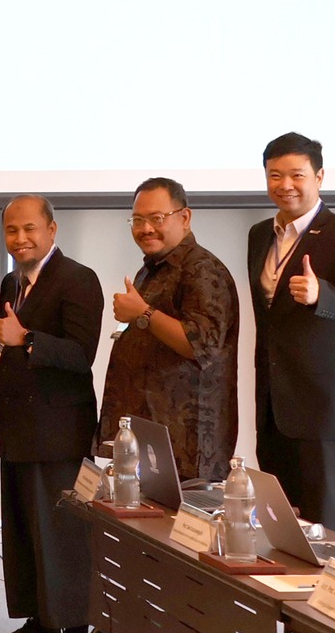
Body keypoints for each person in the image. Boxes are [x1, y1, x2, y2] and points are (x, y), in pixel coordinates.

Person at [0, 195, 103, 633]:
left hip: (59, 430)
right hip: (17, 426)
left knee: (62, 533)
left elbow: (81, 355)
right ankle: (38, 621)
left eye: (29, 228)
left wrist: (27, 338)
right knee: (23, 529)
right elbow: (1, 353)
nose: (20, 239)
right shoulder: (12, 282)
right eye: (11, 230)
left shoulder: (78, 278)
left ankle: (74, 631)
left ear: (52, 229)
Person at [249, 132, 335, 530]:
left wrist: (322, 294)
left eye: (297, 175)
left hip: (323, 410)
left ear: (319, 177)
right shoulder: (260, 234)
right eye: (275, 175)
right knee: (279, 528)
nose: (285, 185)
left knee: (322, 531)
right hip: (274, 407)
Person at [97, 177, 240, 483]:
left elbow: (202, 346)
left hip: (185, 445)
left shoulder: (202, 269)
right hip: (149, 435)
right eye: (138, 220)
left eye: (157, 218)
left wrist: (144, 313)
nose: (146, 228)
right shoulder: (153, 268)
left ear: (184, 217)